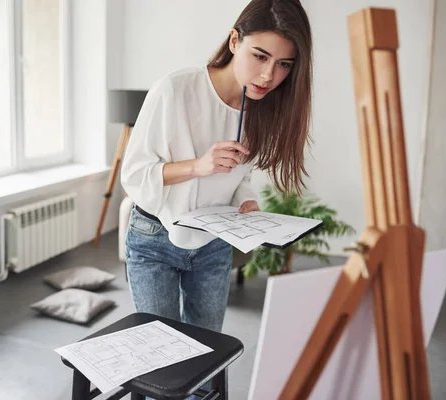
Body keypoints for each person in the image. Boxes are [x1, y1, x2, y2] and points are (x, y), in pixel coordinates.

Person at [121, 0, 313, 334]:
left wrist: (245, 198)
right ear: (235, 41)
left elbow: (240, 172)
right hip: (155, 239)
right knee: (161, 364)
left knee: (206, 358)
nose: (269, 75)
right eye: (260, 56)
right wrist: (198, 166)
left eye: (284, 64)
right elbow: (134, 176)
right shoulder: (175, 89)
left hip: (214, 244)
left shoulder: (262, 107)